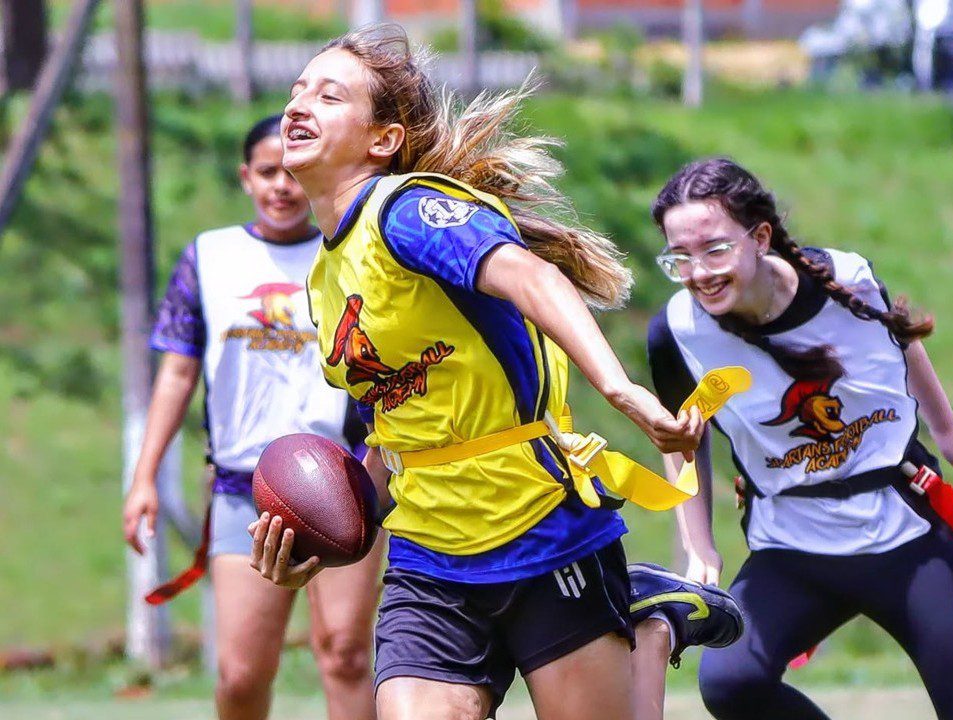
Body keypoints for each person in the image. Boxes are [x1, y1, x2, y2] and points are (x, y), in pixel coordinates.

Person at [248, 24, 744, 720]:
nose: (299, 105)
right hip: (429, 558)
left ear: (382, 140)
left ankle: (649, 626)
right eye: (297, 91)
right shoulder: (325, 277)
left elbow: (531, 276)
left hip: (541, 528)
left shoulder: (408, 210)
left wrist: (617, 386)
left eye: (329, 96)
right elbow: (393, 430)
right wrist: (334, 534)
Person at [646, 157, 953, 720]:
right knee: (730, 683)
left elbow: (900, 338)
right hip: (791, 547)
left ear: (760, 237)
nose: (700, 271)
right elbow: (682, 439)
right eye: (682, 258)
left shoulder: (846, 278)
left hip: (907, 532)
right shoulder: (678, 330)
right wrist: (700, 547)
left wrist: (949, 433)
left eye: (716, 249)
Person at [122, 115, 384, 720]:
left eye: (294, 173)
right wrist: (144, 479)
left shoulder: (349, 254)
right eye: (268, 173)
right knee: (241, 674)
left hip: (343, 482)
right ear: (246, 178)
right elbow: (179, 372)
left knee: (344, 652)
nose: (282, 186)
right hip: (245, 489)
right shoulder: (210, 257)